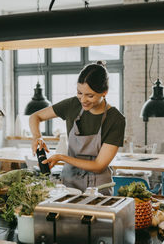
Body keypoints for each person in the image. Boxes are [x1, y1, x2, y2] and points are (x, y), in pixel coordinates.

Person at [29, 61, 125, 195]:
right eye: (79, 93)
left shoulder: (115, 119)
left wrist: (62, 157)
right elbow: (35, 117)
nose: (83, 100)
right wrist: (37, 136)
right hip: (69, 183)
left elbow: (98, 166)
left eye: (90, 95)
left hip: (98, 188)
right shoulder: (72, 105)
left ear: (104, 92)